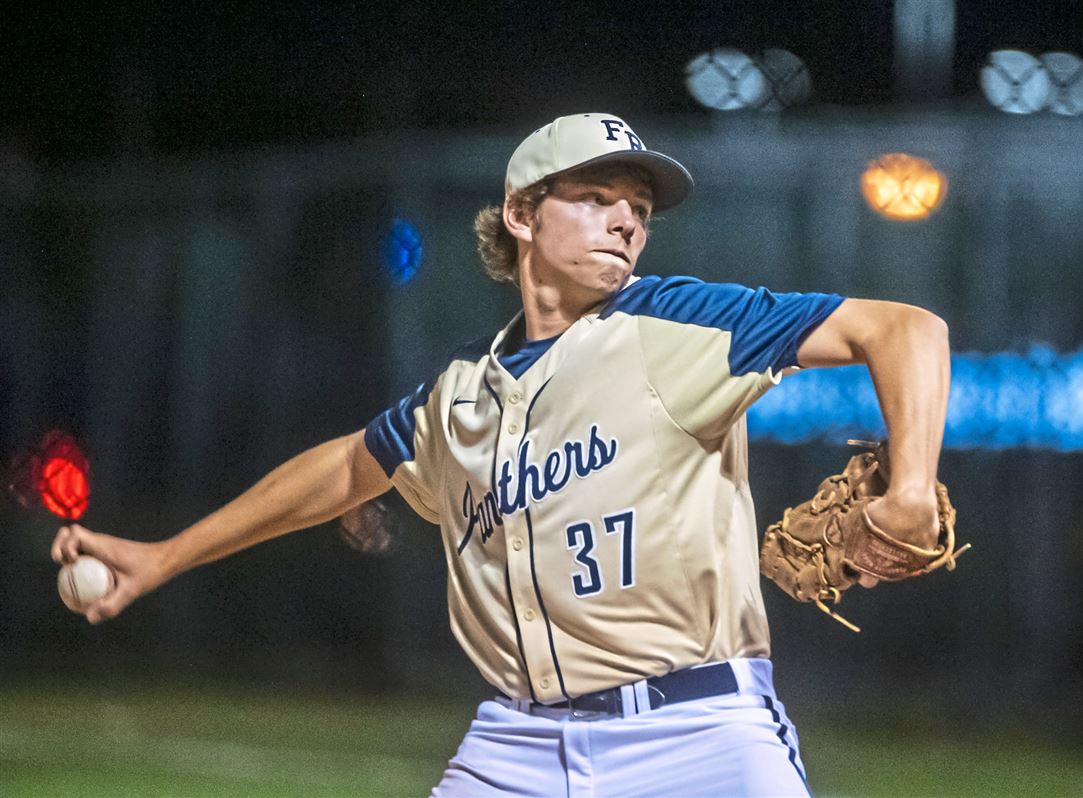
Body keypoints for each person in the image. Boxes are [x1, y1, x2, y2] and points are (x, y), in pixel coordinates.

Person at [53, 113, 950, 796]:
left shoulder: (672, 321)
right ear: (521, 214)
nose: (625, 223)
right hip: (515, 748)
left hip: (698, 734)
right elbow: (338, 470)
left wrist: (909, 489)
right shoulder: (459, 402)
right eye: (595, 199)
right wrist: (161, 557)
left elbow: (905, 329)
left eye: (636, 209)